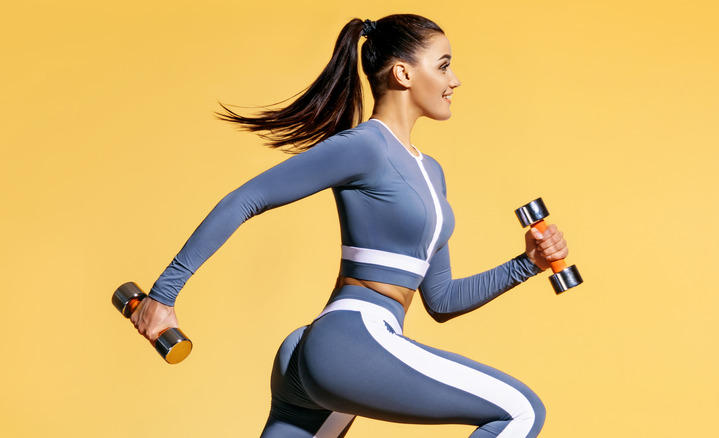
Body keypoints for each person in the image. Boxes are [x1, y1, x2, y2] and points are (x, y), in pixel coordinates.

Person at [131, 14, 568, 438]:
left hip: (337, 351)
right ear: (403, 73)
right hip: (350, 342)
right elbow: (247, 198)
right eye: (444, 65)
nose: (455, 81)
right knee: (521, 410)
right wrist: (163, 295)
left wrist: (527, 264)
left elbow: (442, 300)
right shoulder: (365, 146)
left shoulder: (431, 173)